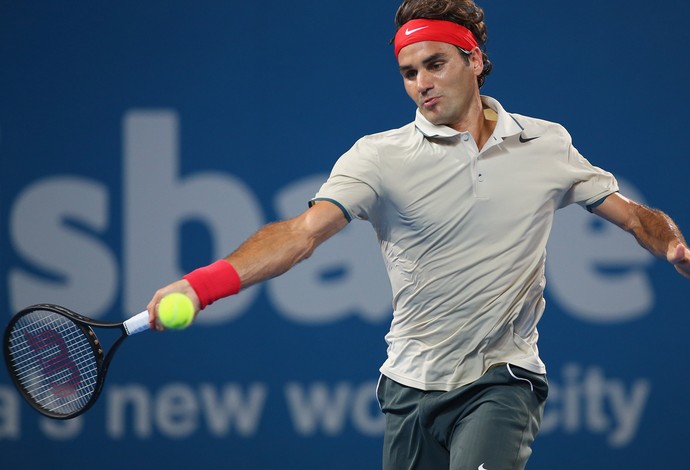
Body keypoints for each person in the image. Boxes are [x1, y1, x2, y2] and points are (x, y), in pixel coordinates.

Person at [147, 0, 690, 468]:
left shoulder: (546, 144)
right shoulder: (378, 157)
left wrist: (670, 244)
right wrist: (200, 286)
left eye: (435, 64)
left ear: (474, 60)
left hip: (502, 379)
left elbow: (633, 214)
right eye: (409, 72)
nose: (422, 84)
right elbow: (301, 234)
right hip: (410, 385)